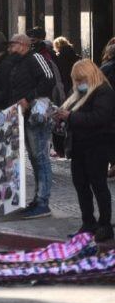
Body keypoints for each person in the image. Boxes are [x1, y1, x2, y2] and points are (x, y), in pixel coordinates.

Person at [55, 59, 115, 243]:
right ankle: (88, 222)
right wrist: (62, 117)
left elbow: (99, 118)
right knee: (80, 185)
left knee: (98, 185)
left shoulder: (103, 91)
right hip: (80, 146)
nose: (78, 83)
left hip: (97, 145)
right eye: (76, 80)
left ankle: (105, 224)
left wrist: (70, 116)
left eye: (81, 79)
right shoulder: (81, 93)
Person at [6, 34, 57, 219]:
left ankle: (43, 202)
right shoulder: (18, 63)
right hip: (24, 117)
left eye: (13, 45)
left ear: (23, 44)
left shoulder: (36, 58)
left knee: (41, 158)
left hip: (37, 115)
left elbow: (49, 79)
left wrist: (28, 98)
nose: (10, 49)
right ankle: (38, 198)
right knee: (35, 159)